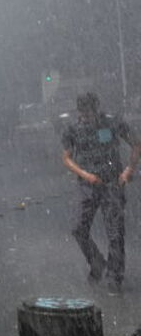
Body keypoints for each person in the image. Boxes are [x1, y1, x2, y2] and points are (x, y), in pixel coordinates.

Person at [62, 92, 141, 294]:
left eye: (90, 113)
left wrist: (128, 171)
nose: (87, 118)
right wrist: (85, 174)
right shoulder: (73, 128)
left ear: (97, 109)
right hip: (87, 186)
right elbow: (67, 158)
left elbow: (136, 143)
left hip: (111, 183)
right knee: (78, 227)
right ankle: (97, 262)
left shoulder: (113, 122)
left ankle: (115, 276)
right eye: (83, 114)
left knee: (115, 232)